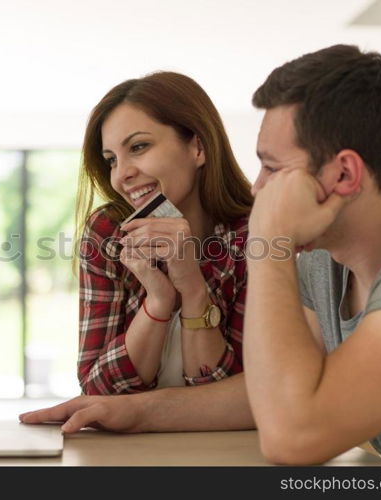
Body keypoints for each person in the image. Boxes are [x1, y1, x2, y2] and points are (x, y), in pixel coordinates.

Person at [21, 46, 381, 467]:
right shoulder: (324, 258)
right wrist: (130, 410)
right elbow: (266, 396)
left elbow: (292, 437)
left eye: (272, 168)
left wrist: (269, 242)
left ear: (344, 173)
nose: (258, 188)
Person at [73, 71, 254, 395]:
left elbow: (236, 395)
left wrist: (193, 289)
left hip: (233, 445)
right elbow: (98, 389)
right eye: (111, 160)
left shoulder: (254, 235)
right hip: (132, 447)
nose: (122, 175)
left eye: (139, 147)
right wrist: (159, 299)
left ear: (198, 147)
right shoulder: (108, 234)